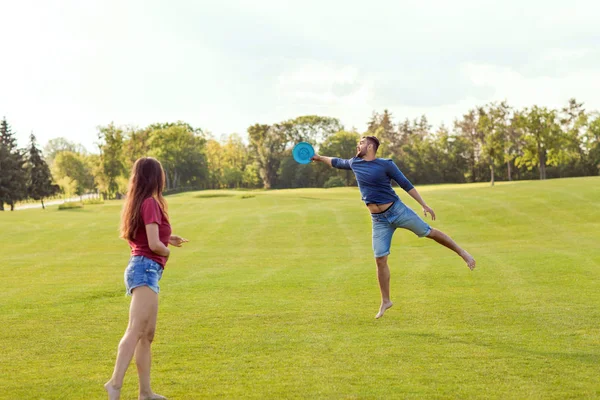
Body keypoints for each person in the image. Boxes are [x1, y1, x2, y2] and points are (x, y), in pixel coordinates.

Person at [311, 136, 475, 319]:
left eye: (361, 142)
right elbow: (335, 161)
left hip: (397, 210)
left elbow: (405, 184)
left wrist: (423, 204)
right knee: (380, 259)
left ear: (371, 146)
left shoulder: (386, 165)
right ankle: (386, 300)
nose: (358, 145)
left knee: (428, 232)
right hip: (378, 220)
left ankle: (463, 253)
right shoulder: (354, 163)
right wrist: (318, 157)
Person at [105, 157, 188, 400]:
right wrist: (167, 250)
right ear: (156, 177)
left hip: (145, 269)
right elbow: (152, 244)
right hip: (145, 268)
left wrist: (169, 237)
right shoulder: (150, 202)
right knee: (135, 330)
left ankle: (145, 393)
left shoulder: (141, 201)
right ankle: (115, 384)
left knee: (147, 335)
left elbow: (148, 236)